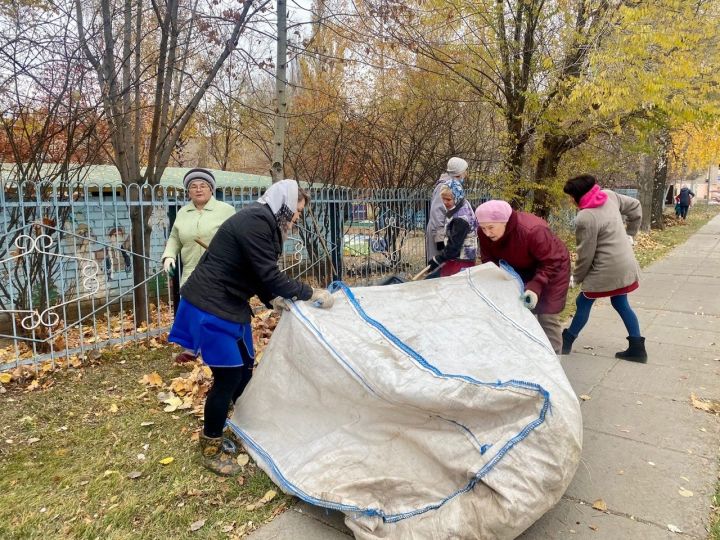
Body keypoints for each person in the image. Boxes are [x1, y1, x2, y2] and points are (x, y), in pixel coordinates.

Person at [168, 179, 334, 476]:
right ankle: (210, 446)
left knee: (245, 367)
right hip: (210, 305)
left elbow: (255, 273)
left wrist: (273, 299)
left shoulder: (265, 222)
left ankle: (248, 427)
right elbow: (268, 274)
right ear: (284, 202)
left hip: (229, 303)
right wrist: (309, 292)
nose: (297, 217)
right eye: (296, 210)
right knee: (228, 376)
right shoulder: (256, 222)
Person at [561, 175, 646, 362]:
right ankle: (637, 348)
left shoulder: (586, 217)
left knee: (583, 302)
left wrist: (576, 278)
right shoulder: (609, 196)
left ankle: (565, 342)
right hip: (625, 264)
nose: (569, 200)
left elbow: (585, 254)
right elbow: (636, 207)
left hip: (606, 268)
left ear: (578, 195)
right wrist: (631, 235)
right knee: (620, 303)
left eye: (570, 196)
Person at [474, 200, 570, 353]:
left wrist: (536, 286)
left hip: (552, 268)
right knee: (521, 313)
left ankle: (554, 362)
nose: (487, 233)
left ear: (504, 222)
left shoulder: (532, 230)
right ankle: (529, 357)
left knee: (547, 316)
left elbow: (551, 260)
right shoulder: (484, 233)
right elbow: (489, 260)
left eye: (491, 228)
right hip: (519, 270)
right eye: (483, 228)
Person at [161, 168, 235, 363]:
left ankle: (216, 346)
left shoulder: (226, 210)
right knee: (191, 307)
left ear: (211, 188)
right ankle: (192, 348)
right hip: (192, 267)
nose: (198, 189)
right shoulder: (183, 212)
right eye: (193, 186)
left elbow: (237, 237)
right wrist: (169, 256)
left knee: (216, 307)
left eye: (203, 185)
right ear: (188, 191)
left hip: (218, 269)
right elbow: (175, 237)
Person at [426, 179, 478, 277]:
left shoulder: (461, 219)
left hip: (461, 261)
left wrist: (437, 259)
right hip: (455, 259)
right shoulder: (459, 204)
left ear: (457, 196)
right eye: (443, 199)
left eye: (448, 199)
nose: (445, 202)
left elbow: (454, 247)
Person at [426, 157, 469, 265]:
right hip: (439, 232)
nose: (466, 173)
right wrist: (439, 239)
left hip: (447, 230)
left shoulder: (454, 185)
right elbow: (437, 212)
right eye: (464, 171)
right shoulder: (445, 186)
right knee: (438, 266)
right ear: (459, 173)